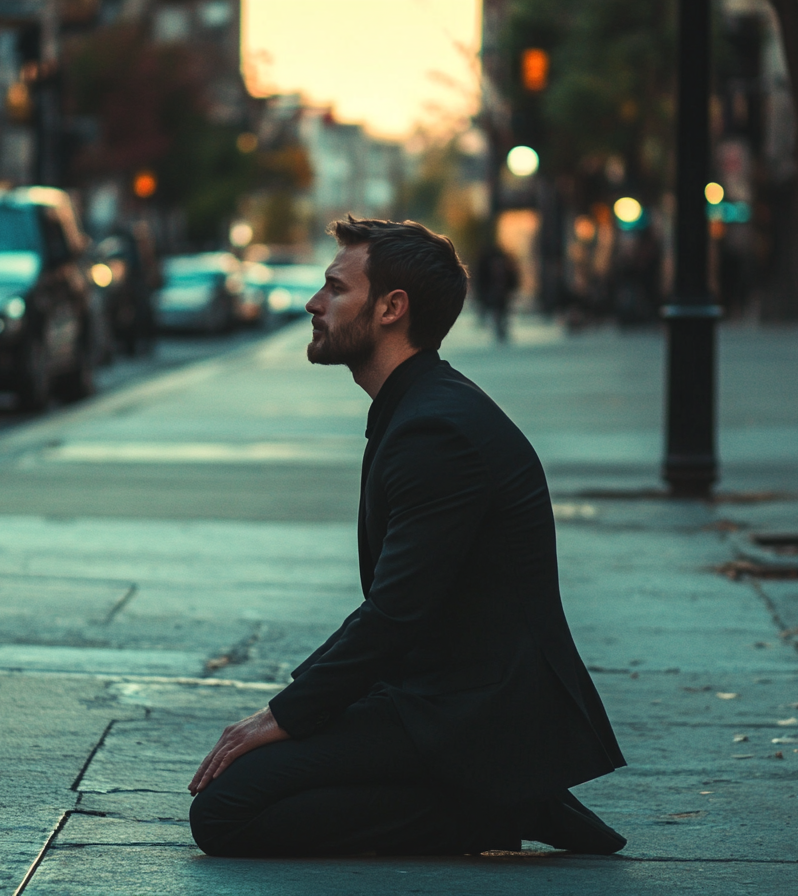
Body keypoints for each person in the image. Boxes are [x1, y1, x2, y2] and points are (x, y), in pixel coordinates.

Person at [188, 217, 627, 857]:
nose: (315, 304)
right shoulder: (420, 407)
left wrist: (281, 716)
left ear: (392, 308)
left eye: (335, 289)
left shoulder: (436, 431)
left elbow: (394, 612)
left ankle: (497, 810)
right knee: (245, 790)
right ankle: (493, 800)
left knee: (226, 814)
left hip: (471, 711)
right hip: (435, 689)